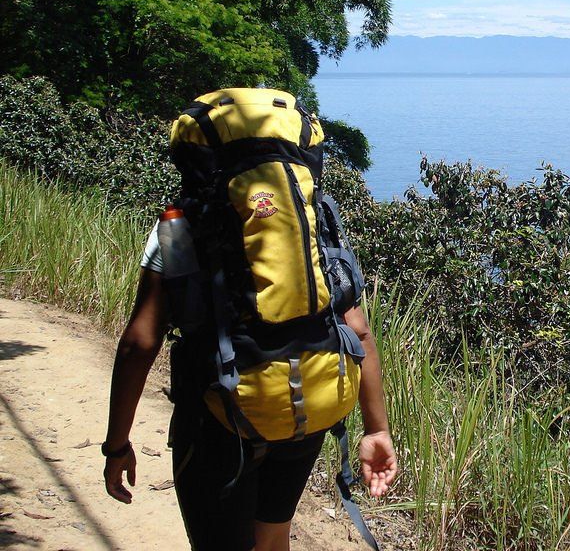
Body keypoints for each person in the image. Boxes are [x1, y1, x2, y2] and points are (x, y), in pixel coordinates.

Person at [102, 223, 398, 551]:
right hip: (303, 413)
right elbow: (358, 330)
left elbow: (140, 343)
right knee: (272, 540)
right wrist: (376, 430)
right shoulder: (309, 211)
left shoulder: (181, 222)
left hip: (219, 421)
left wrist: (116, 446)